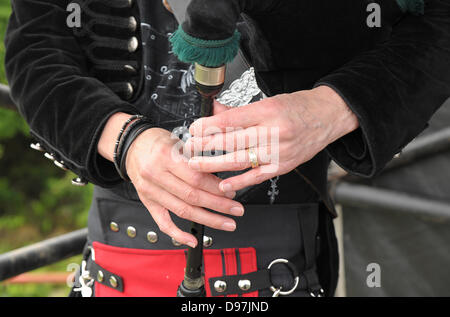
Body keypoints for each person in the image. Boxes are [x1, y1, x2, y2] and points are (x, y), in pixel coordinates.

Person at [5, 0, 449, 297]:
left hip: (284, 257)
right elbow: (36, 47)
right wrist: (123, 140)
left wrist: (333, 107)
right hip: (118, 254)